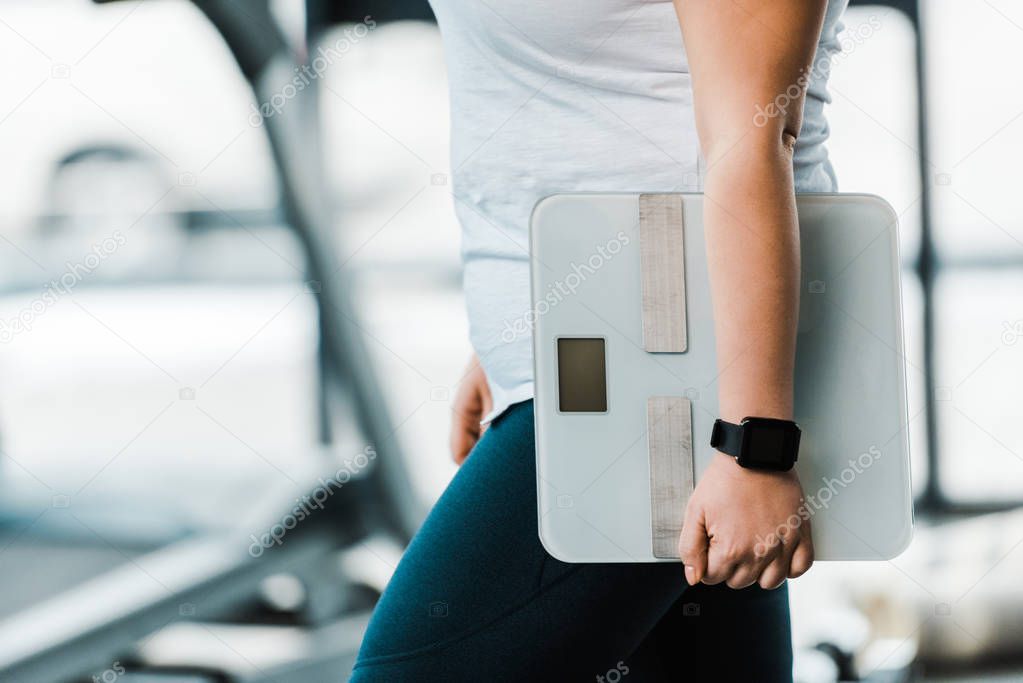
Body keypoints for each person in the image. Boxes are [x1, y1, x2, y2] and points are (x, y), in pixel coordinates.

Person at [352, 1, 847, 680]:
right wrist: (517, 331)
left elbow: (750, 140)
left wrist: (754, 444)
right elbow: (573, 93)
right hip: (596, 338)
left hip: (675, 360)